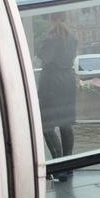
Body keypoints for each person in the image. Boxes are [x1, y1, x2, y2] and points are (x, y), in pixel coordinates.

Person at [37, 12, 78, 180]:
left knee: (46, 125)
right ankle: (68, 166)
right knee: (65, 124)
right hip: (68, 82)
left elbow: (44, 57)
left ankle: (59, 166)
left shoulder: (50, 39)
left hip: (52, 84)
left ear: (51, 20)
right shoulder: (72, 38)